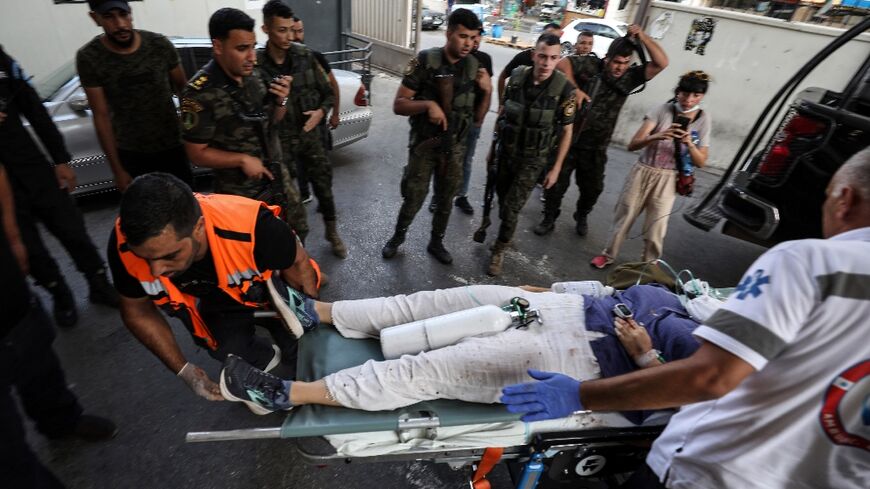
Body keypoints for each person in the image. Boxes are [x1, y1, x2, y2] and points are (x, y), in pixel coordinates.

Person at [501, 149, 870, 489]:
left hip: (714, 474)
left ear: (844, 198)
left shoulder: (812, 264)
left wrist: (582, 393)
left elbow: (710, 376)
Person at [218, 282, 702, 417]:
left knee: (432, 369)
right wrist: (535, 290)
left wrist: (644, 357)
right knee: (426, 305)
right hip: (557, 307)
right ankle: (316, 313)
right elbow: (599, 290)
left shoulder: (714, 348)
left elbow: (689, 396)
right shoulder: (673, 296)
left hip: (581, 360)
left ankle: (286, 394)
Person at [108, 173, 319, 402]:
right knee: (229, 351)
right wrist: (184, 371)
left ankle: (292, 342)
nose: (156, 270)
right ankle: (265, 357)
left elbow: (299, 265)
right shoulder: (124, 246)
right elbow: (137, 311)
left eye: (170, 255)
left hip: (271, 287)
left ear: (199, 227)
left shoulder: (254, 226)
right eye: (146, 258)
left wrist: (311, 325)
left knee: (307, 354)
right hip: (218, 297)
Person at [0, 163, 117, 489]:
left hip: (9, 298)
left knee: (39, 362)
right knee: (10, 459)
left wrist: (12, 235)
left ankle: (62, 419)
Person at [0, 45, 118, 328]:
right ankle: (59, 293)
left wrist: (61, 160)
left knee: (71, 228)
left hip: (33, 168)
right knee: (30, 249)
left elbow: (35, 111)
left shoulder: (3, 63)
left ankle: (98, 283)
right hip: (3, 188)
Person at [181, 8, 309, 242]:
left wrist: (283, 99)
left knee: (298, 227)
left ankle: (300, 272)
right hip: (240, 191)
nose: (252, 56)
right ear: (218, 47)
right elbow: (196, 153)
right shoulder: (198, 92)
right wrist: (241, 159)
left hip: (276, 175)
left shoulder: (254, 73)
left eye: (252, 46)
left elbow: (273, 119)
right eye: (242, 49)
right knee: (255, 246)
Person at [535, 25, 668, 237]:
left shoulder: (630, 77)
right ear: (607, 58)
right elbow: (562, 63)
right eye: (616, 62)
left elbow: (662, 62)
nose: (620, 67)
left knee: (593, 189)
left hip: (596, 147)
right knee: (556, 185)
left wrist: (642, 36)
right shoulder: (591, 64)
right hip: (570, 139)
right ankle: (549, 217)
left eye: (625, 63)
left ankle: (582, 214)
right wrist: (575, 89)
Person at [381, 8, 491, 265]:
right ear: (449, 32)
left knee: (445, 200)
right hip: (424, 146)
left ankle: (436, 242)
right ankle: (397, 238)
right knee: (414, 197)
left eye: (473, 37)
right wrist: (427, 105)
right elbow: (399, 104)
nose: (468, 43)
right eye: (463, 36)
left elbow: (478, 119)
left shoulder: (476, 66)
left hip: (455, 148)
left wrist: (486, 91)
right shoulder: (426, 61)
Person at [591, 71, 712, 269]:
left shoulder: (703, 119)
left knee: (657, 225)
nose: (689, 100)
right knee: (625, 214)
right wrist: (657, 136)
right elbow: (633, 144)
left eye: (696, 96)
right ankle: (608, 254)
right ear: (677, 92)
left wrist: (689, 143)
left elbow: (702, 161)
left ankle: (649, 265)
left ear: (702, 96)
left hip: (668, 178)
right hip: (643, 169)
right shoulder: (662, 110)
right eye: (685, 93)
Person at [258, 2, 346, 258]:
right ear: (266, 29)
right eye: (280, 30)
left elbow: (328, 92)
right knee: (290, 205)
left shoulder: (305, 56)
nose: (287, 37)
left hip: (311, 139)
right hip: (280, 145)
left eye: (290, 29)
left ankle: (332, 232)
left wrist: (321, 112)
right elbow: (262, 118)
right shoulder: (257, 66)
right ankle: (299, 255)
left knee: (325, 189)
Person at [486, 33, 577, 276]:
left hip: (533, 160)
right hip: (506, 152)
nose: (547, 63)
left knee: (511, 207)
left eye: (553, 58)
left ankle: (499, 249)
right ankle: (508, 233)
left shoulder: (565, 89)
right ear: (534, 55)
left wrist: (556, 168)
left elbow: (567, 131)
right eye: (543, 56)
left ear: (559, 59)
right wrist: (492, 149)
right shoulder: (516, 78)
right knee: (503, 199)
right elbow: (503, 115)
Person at [76, 0, 192, 190]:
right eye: (109, 17)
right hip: (131, 155)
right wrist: (117, 170)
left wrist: (191, 137)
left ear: (131, 12)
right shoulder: (89, 57)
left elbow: (184, 91)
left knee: (187, 209)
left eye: (123, 14)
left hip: (173, 149)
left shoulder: (159, 45)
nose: (120, 24)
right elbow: (101, 116)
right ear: (95, 18)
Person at [429, 28, 493, 216]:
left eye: (476, 37)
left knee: (467, 159)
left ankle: (461, 195)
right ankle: (437, 196)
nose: (473, 41)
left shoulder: (484, 60)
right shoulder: (453, 58)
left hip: (472, 121)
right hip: (450, 120)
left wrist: (479, 121)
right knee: (442, 159)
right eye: (467, 37)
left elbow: (486, 91)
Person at [289, 16, 343, 204]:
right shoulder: (281, 61)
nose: (297, 36)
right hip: (295, 128)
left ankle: (326, 200)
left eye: (300, 31)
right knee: (300, 164)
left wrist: (334, 114)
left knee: (322, 166)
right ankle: (304, 193)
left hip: (317, 126)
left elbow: (333, 86)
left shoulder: (314, 57)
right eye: (293, 31)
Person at [496, 22, 562, 112]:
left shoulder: (558, 67)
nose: (547, 63)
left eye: (556, 38)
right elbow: (503, 77)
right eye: (548, 36)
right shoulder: (523, 57)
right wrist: (501, 103)